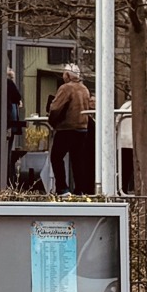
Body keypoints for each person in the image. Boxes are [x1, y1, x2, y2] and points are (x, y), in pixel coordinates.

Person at [47, 63, 94, 195]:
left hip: (66, 128)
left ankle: (62, 188)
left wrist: (52, 121)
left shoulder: (66, 88)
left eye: (64, 73)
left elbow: (55, 108)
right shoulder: (84, 89)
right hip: (82, 128)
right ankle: (80, 189)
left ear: (67, 75)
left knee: (56, 157)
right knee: (77, 159)